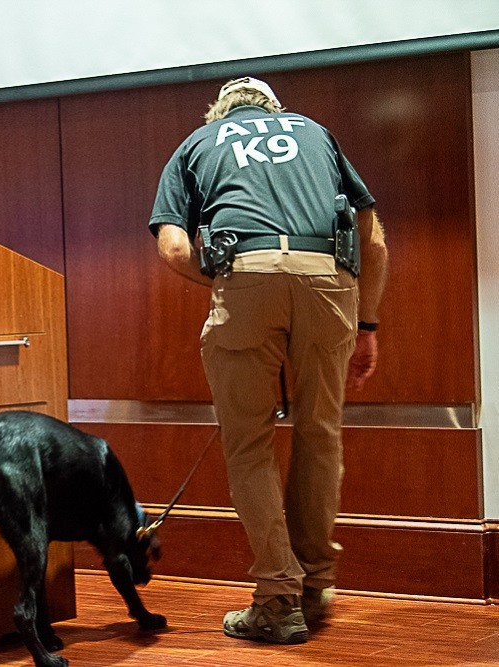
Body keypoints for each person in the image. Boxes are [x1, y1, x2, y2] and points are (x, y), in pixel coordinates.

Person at [148, 77, 388, 644]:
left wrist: (232, 277)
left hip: (246, 275)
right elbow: (372, 236)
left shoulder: (198, 143)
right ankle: (315, 585)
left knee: (249, 443)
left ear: (219, 114)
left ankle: (278, 598)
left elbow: (174, 247)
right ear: (274, 111)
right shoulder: (315, 133)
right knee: (320, 433)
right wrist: (368, 322)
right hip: (329, 279)